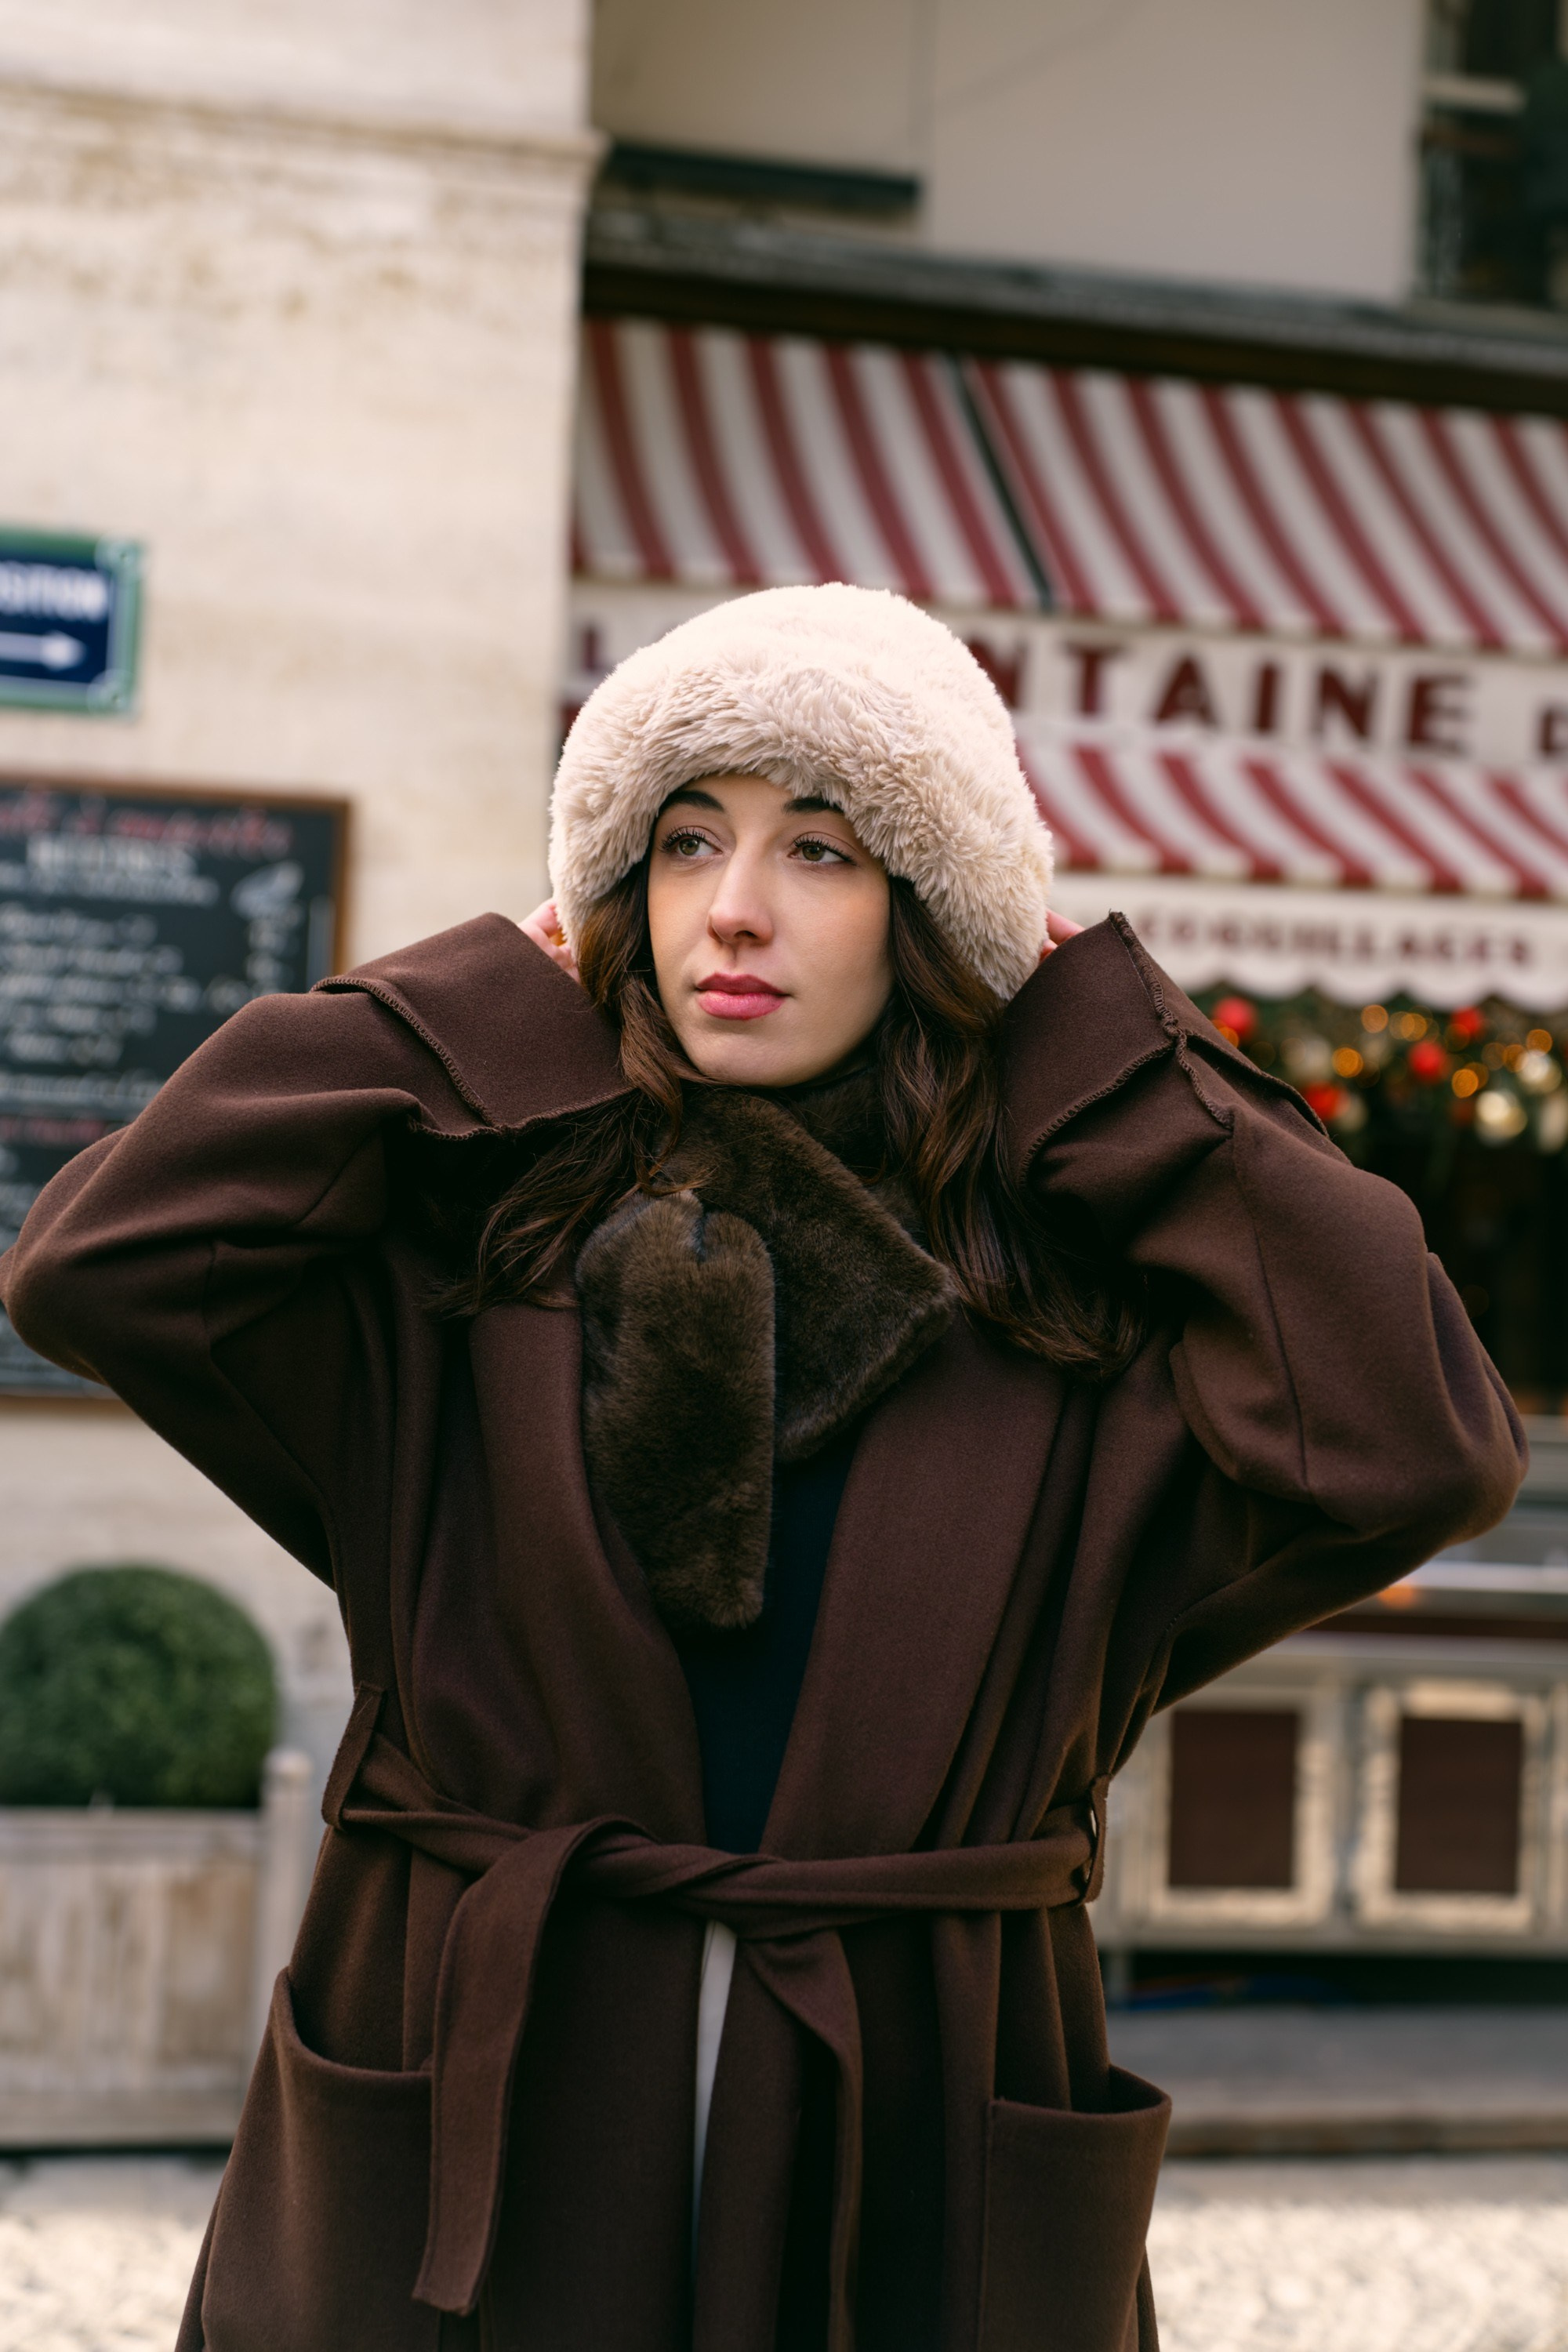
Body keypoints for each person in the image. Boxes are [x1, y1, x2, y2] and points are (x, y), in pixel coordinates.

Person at [0, 586, 1523, 2352]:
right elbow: (97, 1258)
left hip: (912, 2112)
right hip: (477, 2103)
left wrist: (1095, 1055)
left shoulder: (1071, 1328)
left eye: (825, 849)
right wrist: (488, 1000)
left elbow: (1415, 1443)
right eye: (681, 842)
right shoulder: (463, 1270)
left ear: (932, 915)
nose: (735, 908)